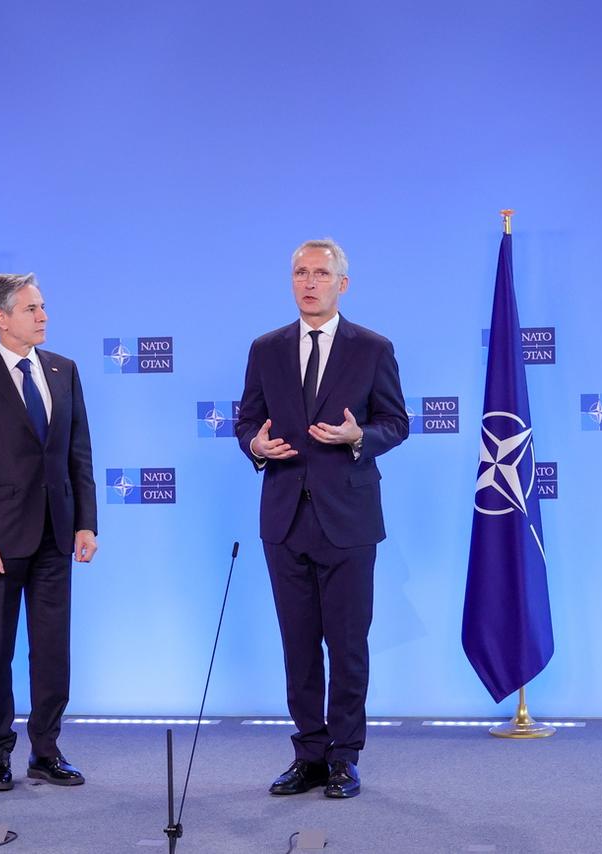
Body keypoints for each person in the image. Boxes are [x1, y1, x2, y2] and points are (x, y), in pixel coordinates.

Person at [235, 238, 408, 799]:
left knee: (348, 643)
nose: (309, 282)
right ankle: (308, 753)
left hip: (349, 521)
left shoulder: (373, 348)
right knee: (299, 644)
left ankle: (344, 757)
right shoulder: (265, 348)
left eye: (320, 273)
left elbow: (395, 422)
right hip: (284, 520)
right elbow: (248, 422)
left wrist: (362, 438)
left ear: (342, 284)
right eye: (300, 273)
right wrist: (257, 446)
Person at [0, 272, 98, 792]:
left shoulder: (65, 370)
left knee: (52, 649)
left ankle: (47, 750)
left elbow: (78, 453)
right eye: (33, 308)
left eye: (43, 307)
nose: (44, 316)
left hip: (57, 535)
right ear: (2, 317)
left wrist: (86, 523)